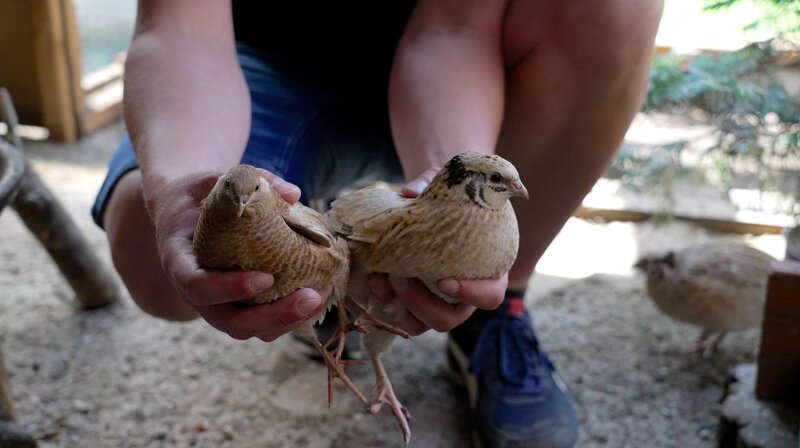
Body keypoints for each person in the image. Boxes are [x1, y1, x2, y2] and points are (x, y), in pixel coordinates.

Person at [91, 1, 663, 446]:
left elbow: (454, 31)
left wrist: (446, 195)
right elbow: (181, 29)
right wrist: (187, 190)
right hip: (261, 63)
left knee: (614, 11)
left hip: (461, 66)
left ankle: (496, 306)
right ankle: (330, 288)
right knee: (160, 256)